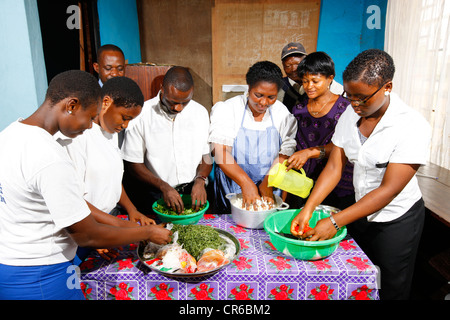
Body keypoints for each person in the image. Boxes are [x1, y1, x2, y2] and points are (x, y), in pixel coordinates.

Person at [0, 70, 172, 300]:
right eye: (90, 118)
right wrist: (147, 232)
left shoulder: (10, 133)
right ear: (71, 105)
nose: (91, 127)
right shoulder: (51, 157)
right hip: (40, 272)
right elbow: (87, 236)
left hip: (12, 263)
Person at [290, 49, 431, 300]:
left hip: (396, 219)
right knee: (361, 279)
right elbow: (335, 166)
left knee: (390, 285)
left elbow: (388, 190)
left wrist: (335, 221)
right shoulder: (350, 114)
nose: (354, 104)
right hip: (359, 211)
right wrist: (308, 208)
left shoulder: (412, 125)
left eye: (362, 98)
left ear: (387, 87)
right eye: (350, 96)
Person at [55, 76, 155, 263]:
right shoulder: (80, 136)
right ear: (107, 102)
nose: (125, 125)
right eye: (124, 118)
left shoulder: (111, 132)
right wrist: (106, 231)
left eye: (130, 120)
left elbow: (113, 180)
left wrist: (132, 210)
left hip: (105, 223)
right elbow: (73, 199)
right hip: (82, 230)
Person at [209, 61, 297, 213]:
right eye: (258, 95)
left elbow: (286, 151)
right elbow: (220, 152)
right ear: (249, 87)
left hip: (268, 187)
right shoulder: (228, 109)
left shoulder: (281, 113)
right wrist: (245, 183)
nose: (263, 103)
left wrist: (268, 182)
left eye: (271, 97)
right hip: (233, 186)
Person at [122, 66, 212, 215]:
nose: (178, 108)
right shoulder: (142, 114)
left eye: (185, 102)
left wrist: (200, 179)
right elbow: (133, 164)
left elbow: (206, 156)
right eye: (172, 101)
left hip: (192, 191)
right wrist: (163, 186)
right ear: (162, 89)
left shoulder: (200, 113)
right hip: (155, 193)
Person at [285, 52, 355, 210]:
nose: (309, 86)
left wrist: (310, 152)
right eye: (305, 81)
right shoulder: (299, 108)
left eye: (315, 81)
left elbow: (344, 146)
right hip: (303, 182)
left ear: (330, 78)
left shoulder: (346, 109)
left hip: (337, 182)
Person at [277, 42, 343, 112]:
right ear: (283, 66)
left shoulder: (334, 88)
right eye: (288, 66)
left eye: (298, 64)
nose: (294, 69)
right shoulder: (278, 87)